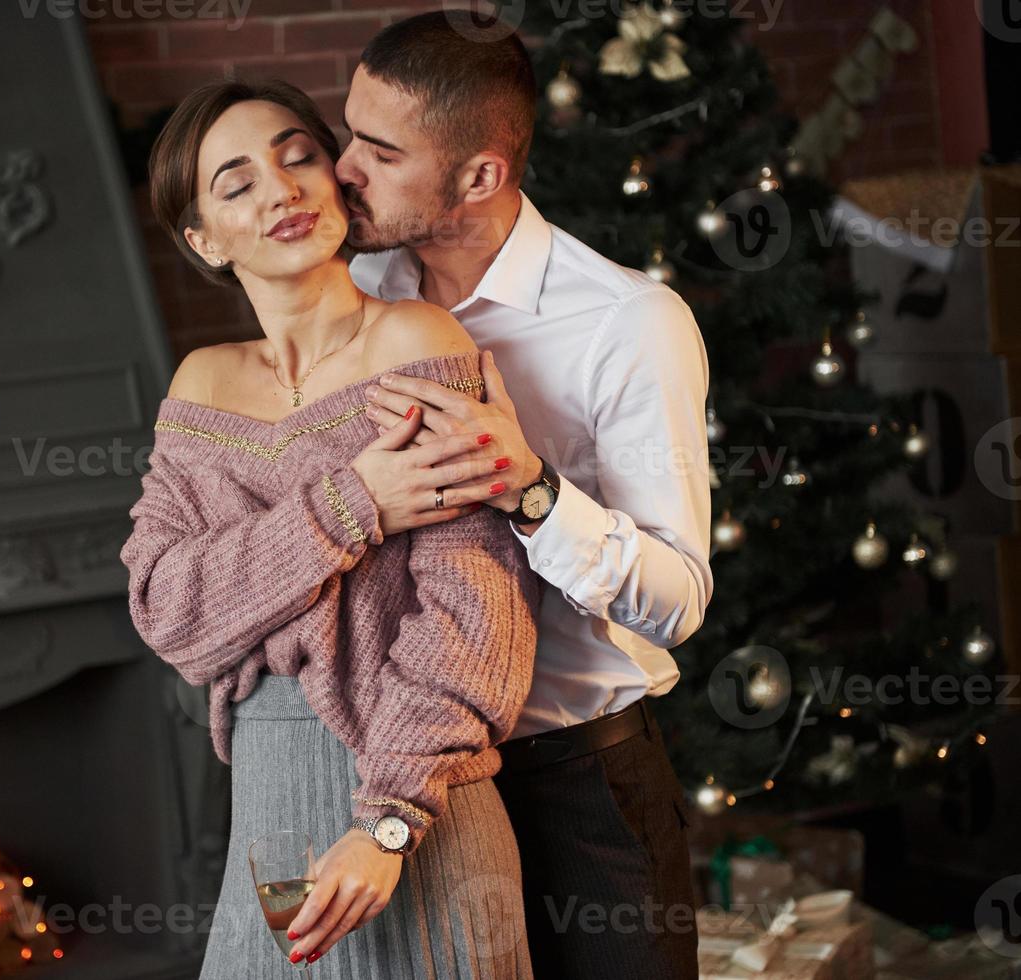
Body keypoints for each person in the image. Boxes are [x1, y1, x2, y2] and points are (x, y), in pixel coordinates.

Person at [122, 79, 539, 978]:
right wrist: (356, 503)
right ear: (203, 238)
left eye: (295, 154)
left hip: (420, 801)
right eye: (235, 184)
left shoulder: (415, 342)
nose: (279, 189)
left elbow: (477, 620)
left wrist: (387, 824)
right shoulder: (200, 387)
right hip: (267, 807)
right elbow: (167, 607)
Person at [337, 12, 713, 979]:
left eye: (380, 152)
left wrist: (532, 489)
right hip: (419, 791)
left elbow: (676, 602)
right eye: (348, 135)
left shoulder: (626, 323)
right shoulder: (354, 296)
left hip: (586, 790)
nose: (342, 170)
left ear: (479, 177)